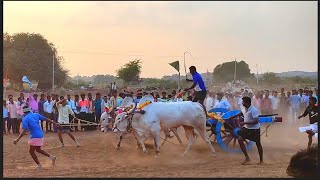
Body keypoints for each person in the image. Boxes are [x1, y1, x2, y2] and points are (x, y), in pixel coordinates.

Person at [13, 106, 58, 171]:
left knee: (31, 151)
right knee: (38, 149)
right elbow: (46, 119)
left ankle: (39, 166)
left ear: (24, 112)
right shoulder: (35, 114)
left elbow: (24, 130)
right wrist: (54, 123)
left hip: (35, 136)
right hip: (40, 134)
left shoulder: (25, 118)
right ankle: (52, 157)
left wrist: (17, 139)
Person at [237, 96, 263, 165]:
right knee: (240, 139)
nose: (242, 103)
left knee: (258, 144)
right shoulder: (245, 108)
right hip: (247, 128)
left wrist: (244, 123)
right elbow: (241, 113)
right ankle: (247, 158)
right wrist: (233, 116)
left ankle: (261, 160)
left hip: (255, 129)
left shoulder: (253, 110)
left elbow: (256, 121)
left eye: (243, 102)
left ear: (247, 103)